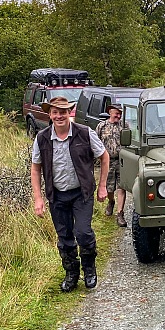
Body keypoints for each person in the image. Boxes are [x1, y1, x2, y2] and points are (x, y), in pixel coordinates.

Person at [31, 96, 109, 292]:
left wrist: (102, 186)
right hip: (57, 195)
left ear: (69, 113)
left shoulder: (84, 133)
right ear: (49, 115)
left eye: (63, 112)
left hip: (82, 194)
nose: (59, 116)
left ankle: (89, 270)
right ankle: (71, 274)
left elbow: (104, 156)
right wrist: (38, 198)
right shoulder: (42, 138)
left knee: (83, 233)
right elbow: (35, 169)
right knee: (64, 237)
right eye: (55, 112)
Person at [95, 103, 127, 227]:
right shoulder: (101, 126)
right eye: (116, 113)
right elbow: (95, 142)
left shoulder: (124, 126)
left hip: (121, 160)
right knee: (109, 188)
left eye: (120, 114)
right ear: (110, 113)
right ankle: (111, 201)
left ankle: (120, 214)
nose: (118, 116)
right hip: (107, 162)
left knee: (121, 186)